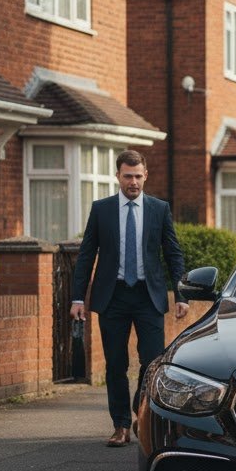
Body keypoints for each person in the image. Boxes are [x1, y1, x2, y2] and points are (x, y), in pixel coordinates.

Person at [71, 150, 188, 446]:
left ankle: (141, 411)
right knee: (115, 363)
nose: (133, 182)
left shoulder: (159, 209)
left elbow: (172, 253)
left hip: (148, 296)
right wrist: (77, 298)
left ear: (145, 175)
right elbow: (86, 256)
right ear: (118, 176)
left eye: (138, 176)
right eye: (127, 176)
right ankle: (120, 425)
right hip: (113, 296)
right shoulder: (102, 210)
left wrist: (182, 294)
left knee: (151, 362)